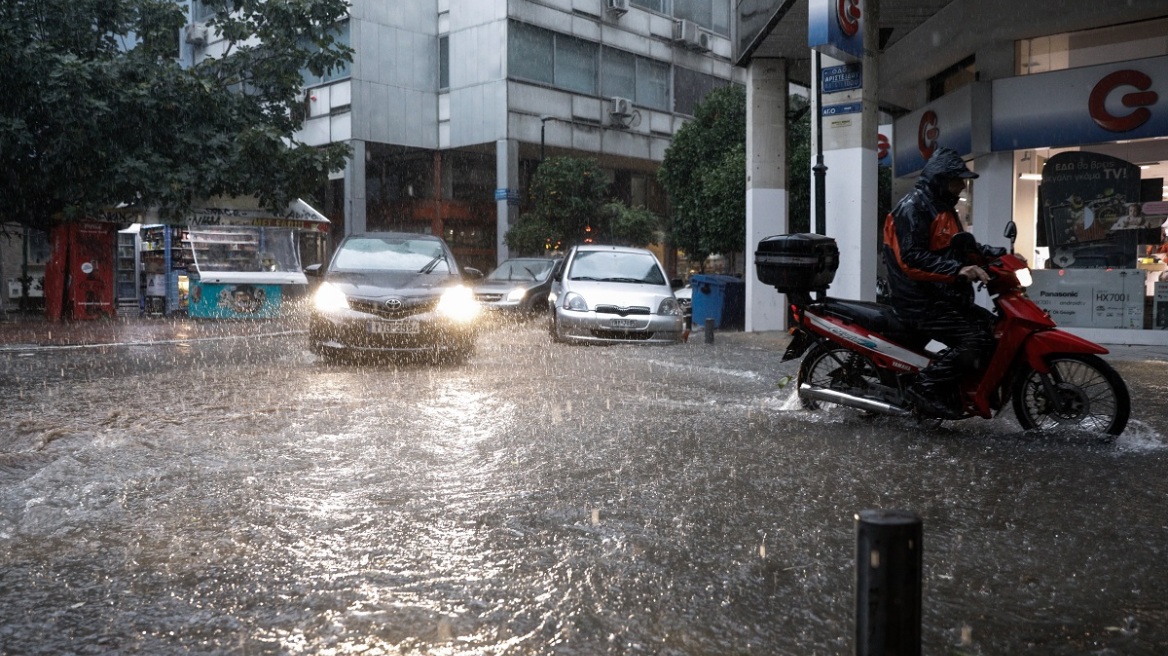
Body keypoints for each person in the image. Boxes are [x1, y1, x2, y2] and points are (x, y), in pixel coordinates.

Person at [881, 147, 1007, 418]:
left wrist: (999, 256)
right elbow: (912, 260)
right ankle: (926, 388)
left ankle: (967, 387)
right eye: (957, 179)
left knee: (992, 327)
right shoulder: (913, 208)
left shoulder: (943, 207)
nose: (962, 185)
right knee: (976, 338)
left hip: (940, 296)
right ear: (940, 180)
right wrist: (959, 270)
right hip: (917, 301)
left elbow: (960, 247)